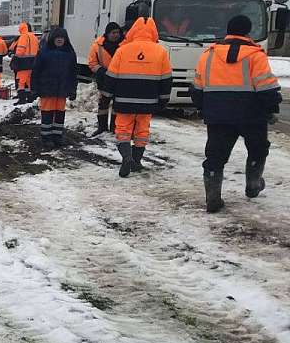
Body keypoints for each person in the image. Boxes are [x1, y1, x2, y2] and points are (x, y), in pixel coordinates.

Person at [190, 14, 282, 212]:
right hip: (252, 115)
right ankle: (253, 185)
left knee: (215, 156)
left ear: (228, 30)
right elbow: (266, 88)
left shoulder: (208, 55)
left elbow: (197, 88)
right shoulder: (255, 56)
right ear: (248, 31)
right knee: (258, 149)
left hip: (218, 116)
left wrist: (202, 107)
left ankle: (212, 198)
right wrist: (272, 108)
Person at [101, 17, 172, 178]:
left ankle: (127, 157)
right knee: (142, 132)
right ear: (154, 32)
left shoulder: (122, 50)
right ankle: (137, 161)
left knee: (123, 131)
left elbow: (110, 77)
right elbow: (166, 79)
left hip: (124, 100)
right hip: (148, 101)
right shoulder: (160, 51)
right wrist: (163, 100)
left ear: (133, 31)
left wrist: (106, 97)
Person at [30, 27, 78, 148]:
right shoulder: (44, 52)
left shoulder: (70, 53)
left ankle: (58, 136)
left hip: (62, 89)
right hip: (47, 89)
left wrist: (73, 89)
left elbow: (73, 72)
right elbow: (36, 71)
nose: (60, 39)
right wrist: (34, 88)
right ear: (52, 38)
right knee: (47, 113)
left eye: (62, 37)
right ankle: (46, 137)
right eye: (57, 37)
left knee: (60, 114)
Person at [87, 22, 125, 135]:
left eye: (118, 32)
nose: (116, 35)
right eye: (113, 33)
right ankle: (102, 127)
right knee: (103, 104)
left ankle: (114, 127)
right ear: (107, 34)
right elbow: (92, 63)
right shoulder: (97, 46)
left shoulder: (125, 45)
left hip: (120, 79)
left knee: (117, 105)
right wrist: (101, 71)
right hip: (104, 79)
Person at [9, 22, 39, 105]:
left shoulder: (23, 36)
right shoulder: (34, 37)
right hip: (33, 61)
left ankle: (22, 98)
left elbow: (20, 50)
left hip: (23, 62)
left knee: (21, 81)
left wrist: (15, 57)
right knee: (28, 81)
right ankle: (29, 97)